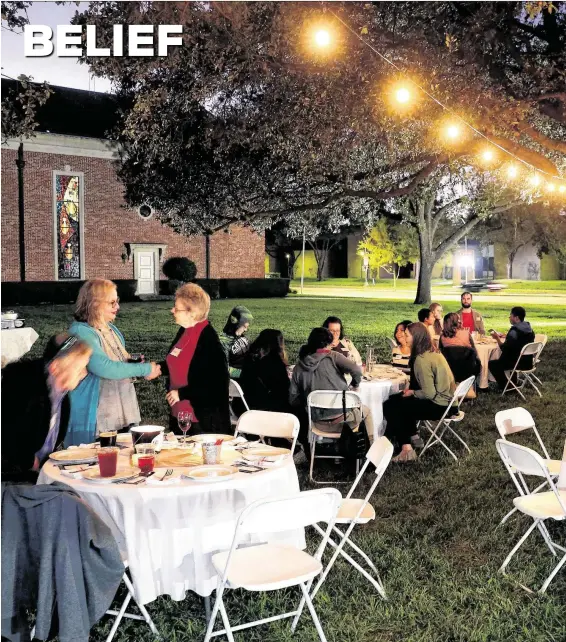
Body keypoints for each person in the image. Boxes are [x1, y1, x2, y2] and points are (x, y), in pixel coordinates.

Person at [68, 279, 161, 446]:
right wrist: (144, 369)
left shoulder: (109, 328)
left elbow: (117, 358)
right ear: (94, 304)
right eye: (112, 303)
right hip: (97, 414)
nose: (117, 307)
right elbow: (103, 367)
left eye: (117, 302)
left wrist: (131, 362)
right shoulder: (82, 332)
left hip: (120, 408)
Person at [1, 334, 92, 482]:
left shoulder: (60, 394)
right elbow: (8, 434)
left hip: (38, 472)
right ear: (55, 367)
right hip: (12, 479)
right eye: (79, 368)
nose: (84, 373)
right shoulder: (24, 392)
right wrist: (30, 462)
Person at [290, 327, 373, 455]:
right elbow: (357, 370)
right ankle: (370, 452)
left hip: (316, 422)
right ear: (329, 343)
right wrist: (354, 384)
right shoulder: (333, 356)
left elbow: (293, 399)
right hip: (344, 420)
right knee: (366, 411)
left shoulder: (298, 367)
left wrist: (309, 397)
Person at [162, 283, 231, 434]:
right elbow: (178, 361)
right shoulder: (184, 331)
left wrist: (182, 394)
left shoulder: (209, 342)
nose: (172, 310)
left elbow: (216, 385)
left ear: (191, 313)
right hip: (179, 414)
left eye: (176, 308)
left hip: (202, 422)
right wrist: (158, 368)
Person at [383, 323, 456, 463]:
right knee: (396, 400)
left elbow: (429, 394)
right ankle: (412, 436)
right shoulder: (432, 351)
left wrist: (413, 393)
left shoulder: (421, 359)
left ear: (416, 337)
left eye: (407, 335)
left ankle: (406, 450)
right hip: (450, 403)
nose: (404, 337)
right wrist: (412, 393)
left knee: (392, 406)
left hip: (439, 406)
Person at [239, 329, 292, 414]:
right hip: (267, 410)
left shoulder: (248, 359)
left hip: (244, 408)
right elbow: (285, 390)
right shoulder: (275, 363)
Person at [488, 306, 535, 390]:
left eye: (511, 315)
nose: (509, 317)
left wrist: (497, 338)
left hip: (517, 363)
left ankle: (506, 387)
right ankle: (513, 382)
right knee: (509, 357)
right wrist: (507, 336)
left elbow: (504, 348)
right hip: (528, 362)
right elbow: (520, 341)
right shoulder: (529, 329)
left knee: (492, 364)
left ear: (516, 318)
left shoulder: (514, 331)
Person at [439, 313, 481, 384]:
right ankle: (470, 384)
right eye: (458, 319)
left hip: (449, 369)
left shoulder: (442, 337)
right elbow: (474, 350)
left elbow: (440, 352)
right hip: (467, 368)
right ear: (456, 321)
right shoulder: (466, 332)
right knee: (478, 362)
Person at [220, 305, 254, 378]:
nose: (246, 330)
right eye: (244, 327)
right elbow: (223, 369)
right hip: (239, 381)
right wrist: (244, 374)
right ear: (236, 324)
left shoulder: (241, 336)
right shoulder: (223, 342)